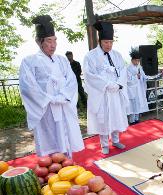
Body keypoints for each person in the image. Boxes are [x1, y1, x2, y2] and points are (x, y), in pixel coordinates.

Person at [19, 15, 84, 157]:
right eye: (49, 41)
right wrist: (49, 98)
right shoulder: (29, 61)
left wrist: (63, 96)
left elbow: (72, 80)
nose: (53, 45)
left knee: (65, 137)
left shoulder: (62, 60)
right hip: (45, 109)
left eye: (55, 40)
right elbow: (28, 87)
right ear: (39, 42)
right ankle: (51, 170)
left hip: (63, 105)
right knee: (49, 139)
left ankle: (68, 163)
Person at [83, 21, 128, 155]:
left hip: (115, 93)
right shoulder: (90, 56)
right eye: (106, 42)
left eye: (111, 42)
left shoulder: (117, 55)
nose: (109, 45)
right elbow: (89, 74)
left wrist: (119, 84)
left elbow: (123, 70)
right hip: (102, 93)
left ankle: (115, 140)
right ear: (99, 41)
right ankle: (104, 144)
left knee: (115, 116)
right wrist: (106, 84)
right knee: (103, 119)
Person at [126, 48, 148, 125]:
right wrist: (136, 76)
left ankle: (137, 119)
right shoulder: (128, 68)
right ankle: (131, 121)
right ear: (132, 60)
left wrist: (144, 77)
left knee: (138, 103)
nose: (137, 62)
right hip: (131, 89)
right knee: (132, 105)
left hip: (138, 88)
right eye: (136, 60)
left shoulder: (139, 67)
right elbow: (127, 80)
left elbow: (143, 75)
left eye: (138, 60)